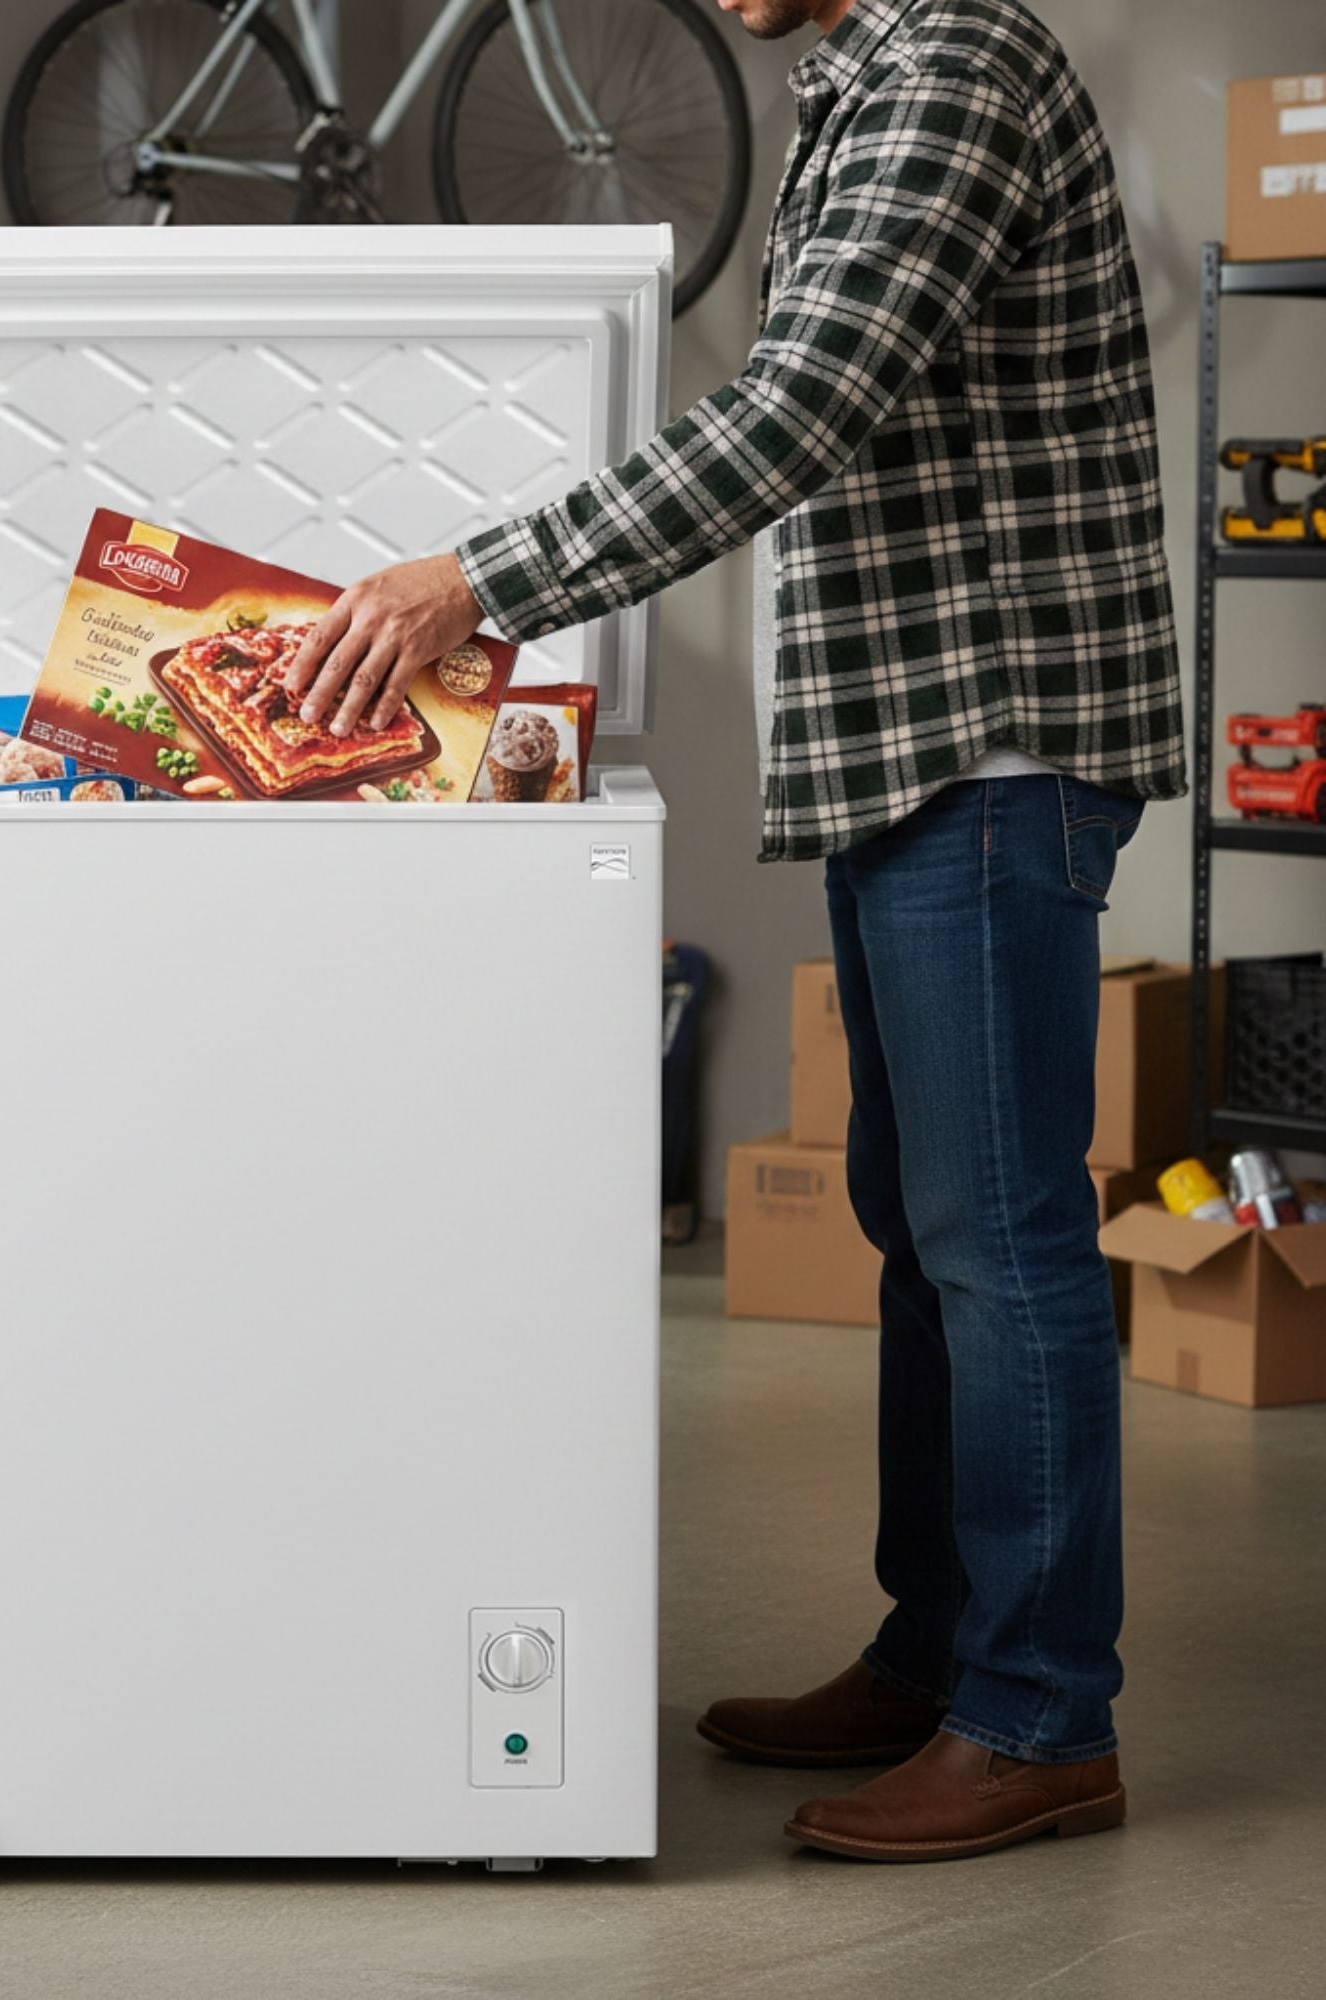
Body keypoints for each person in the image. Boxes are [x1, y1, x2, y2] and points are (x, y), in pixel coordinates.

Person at [284, 0, 1184, 1864]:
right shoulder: (861, 79)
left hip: (992, 740)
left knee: (996, 1242)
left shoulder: (954, 72)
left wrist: (483, 575)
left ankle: (1040, 1718)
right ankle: (941, 1651)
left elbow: (804, 408)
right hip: (909, 742)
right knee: (919, 1231)